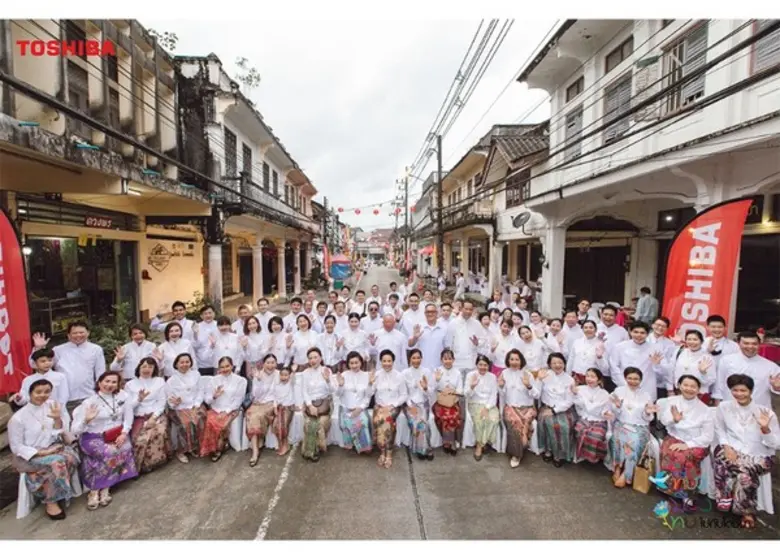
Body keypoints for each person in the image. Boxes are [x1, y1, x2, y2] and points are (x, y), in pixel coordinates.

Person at [713, 374, 780, 528]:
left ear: (751, 391)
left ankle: (743, 508)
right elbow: (719, 429)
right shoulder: (724, 407)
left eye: (743, 390)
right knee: (724, 460)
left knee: (744, 474)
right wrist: (726, 446)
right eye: (735, 390)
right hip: (732, 449)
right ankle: (736, 503)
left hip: (760, 455)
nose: (739, 394)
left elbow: (776, 444)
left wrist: (765, 428)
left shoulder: (765, 413)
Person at [8, 380, 79, 520]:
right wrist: (43, 453)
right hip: (29, 455)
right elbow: (16, 447)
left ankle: (60, 492)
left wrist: (57, 418)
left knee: (71, 456)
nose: (43, 395)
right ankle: (51, 501)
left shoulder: (51, 406)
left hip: (52, 446)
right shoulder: (18, 418)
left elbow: (58, 430)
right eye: (38, 392)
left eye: (47, 391)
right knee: (57, 462)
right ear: (30, 393)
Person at [71, 370, 138, 510]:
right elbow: (75, 430)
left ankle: (104, 488)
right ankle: (96, 490)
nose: (110, 385)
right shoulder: (89, 402)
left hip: (115, 435)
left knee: (124, 446)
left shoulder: (123, 396)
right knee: (109, 452)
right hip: (92, 437)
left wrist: (124, 433)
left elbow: (128, 418)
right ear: (99, 382)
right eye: (107, 381)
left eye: (114, 382)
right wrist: (86, 420)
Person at [656, 375, 715, 512]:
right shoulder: (672, 401)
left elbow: (707, 436)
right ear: (679, 386)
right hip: (674, 436)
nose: (689, 389)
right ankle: (671, 488)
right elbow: (664, 421)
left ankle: (688, 495)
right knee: (671, 452)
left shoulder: (705, 410)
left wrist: (688, 444)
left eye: (693, 386)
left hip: (697, 442)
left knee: (685, 457)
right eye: (686, 385)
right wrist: (674, 419)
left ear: (698, 389)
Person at [31, 322, 106, 413]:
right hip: (65, 398)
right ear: (68, 335)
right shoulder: (58, 350)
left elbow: (100, 372)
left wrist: (102, 392)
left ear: (88, 333)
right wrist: (38, 348)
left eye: (81, 332)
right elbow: (35, 365)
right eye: (74, 333)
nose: (78, 335)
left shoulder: (96, 349)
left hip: (89, 395)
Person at [607, 367, 656, 488]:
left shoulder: (646, 395)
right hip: (622, 423)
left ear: (641, 380)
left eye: (636, 379)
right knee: (616, 439)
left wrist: (648, 413)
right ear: (625, 378)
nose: (633, 381)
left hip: (640, 426)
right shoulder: (618, 391)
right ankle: (617, 468)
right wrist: (617, 407)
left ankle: (626, 474)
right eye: (630, 378)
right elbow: (615, 413)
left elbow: (648, 418)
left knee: (633, 443)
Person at [124, 357, 169, 474]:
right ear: (138, 367)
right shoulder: (130, 385)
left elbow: (161, 402)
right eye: (144, 366)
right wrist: (139, 399)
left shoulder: (159, 381)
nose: (147, 369)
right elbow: (128, 407)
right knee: (140, 440)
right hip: (138, 417)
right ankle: (141, 466)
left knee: (158, 433)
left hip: (156, 415)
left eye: (150, 367)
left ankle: (155, 462)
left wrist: (154, 417)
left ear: (154, 369)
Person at [714, 330, 780, 408]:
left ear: (759, 344)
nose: (750, 347)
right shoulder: (726, 360)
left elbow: (777, 388)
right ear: (738, 343)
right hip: (731, 409)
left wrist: (776, 387)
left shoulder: (771, 366)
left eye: (754, 344)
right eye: (746, 343)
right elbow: (719, 384)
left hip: (759, 410)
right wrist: (717, 406)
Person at [199, 357, 246, 462]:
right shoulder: (213, 380)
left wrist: (227, 411)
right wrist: (214, 396)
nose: (225, 369)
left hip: (233, 409)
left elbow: (239, 400)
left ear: (232, 366)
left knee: (222, 423)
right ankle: (215, 447)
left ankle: (219, 448)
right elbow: (207, 401)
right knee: (209, 422)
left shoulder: (240, 380)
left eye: (227, 366)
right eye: (222, 367)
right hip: (216, 409)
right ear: (218, 368)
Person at [499, 349, 540, 468]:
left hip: (527, 408)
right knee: (514, 421)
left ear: (521, 360)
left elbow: (536, 395)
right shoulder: (504, 373)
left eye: (517, 359)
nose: (514, 362)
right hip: (510, 407)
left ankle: (519, 446)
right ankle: (516, 454)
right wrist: (501, 386)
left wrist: (529, 386)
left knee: (522, 421)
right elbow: (502, 394)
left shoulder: (527, 374)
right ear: (508, 360)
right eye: (511, 359)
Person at [536, 353, 577, 467]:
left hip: (563, 409)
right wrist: (539, 380)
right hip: (546, 406)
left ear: (564, 364)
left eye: (560, 362)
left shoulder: (569, 379)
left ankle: (560, 454)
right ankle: (548, 450)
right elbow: (536, 394)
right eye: (554, 363)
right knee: (547, 421)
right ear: (549, 364)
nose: (557, 365)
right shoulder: (545, 375)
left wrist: (555, 410)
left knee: (563, 425)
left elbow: (569, 401)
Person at [165, 353, 205, 464]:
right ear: (176, 364)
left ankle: (194, 447)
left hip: (194, 405)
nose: (185, 364)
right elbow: (170, 399)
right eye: (181, 362)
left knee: (199, 418)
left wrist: (196, 405)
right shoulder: (171, 380)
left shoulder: (196, 374)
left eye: (187, 362)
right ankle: (181, 451)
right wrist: (175, 403)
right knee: (184, 423)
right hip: (179, 408)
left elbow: (200, 391)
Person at [372, 349, 407, 469]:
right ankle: (384, 452)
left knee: (385, 420)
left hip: (393, 407)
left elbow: (404, 395)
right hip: (379, 406)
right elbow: (370, 393)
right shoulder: (376, 375)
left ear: (393, 361)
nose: (387, 363)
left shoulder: (399, 376)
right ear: (380, 361)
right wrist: (370, 384)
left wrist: (392, 405)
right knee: (383, 421)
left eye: (389, 361)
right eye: (384, 361)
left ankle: (388, 453)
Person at [335, 351, 373, 455]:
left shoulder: (367, 375)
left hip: (360, 408)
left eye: (356, 362)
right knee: (345, 423)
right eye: (351, 363)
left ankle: (364, 446)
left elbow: (368, 396)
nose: (354, 365)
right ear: (348, 364)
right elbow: (338, 394)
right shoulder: (343, 375)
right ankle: (352, 444)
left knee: (363, 421)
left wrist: (370, 384)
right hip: (346, 408)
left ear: (361, 362)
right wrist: (341, 385)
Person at [300, 347, 334, 462]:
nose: (313, 360)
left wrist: (328, 380)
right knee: (309, 423)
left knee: (320, 424)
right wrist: (310, 405)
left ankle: (316, 449)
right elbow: (304, 391)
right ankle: (312, 449)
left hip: (324, 404)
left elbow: (331, 391)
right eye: (310, 358)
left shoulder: (326, 370)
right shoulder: (305, 373)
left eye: (315, 357)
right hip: (310, 405)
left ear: (321, 358)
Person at [572, 368, 612, 464]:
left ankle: (593, 457)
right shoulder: (580, 389)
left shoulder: (605, 394)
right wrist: (576, 395)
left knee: (597, 436)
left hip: (599, 420)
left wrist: (604, 413)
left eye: (593, 377)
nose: (589, 379)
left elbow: (605, 410)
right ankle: (581, 455)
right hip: (584, 417)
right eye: (587, 376)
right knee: (579, 430)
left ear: (599, 380)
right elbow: (578, 405)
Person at [246, 353, 280, 466]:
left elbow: (279, 394)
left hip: (271, 404)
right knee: (251, 414)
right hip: (258, 403)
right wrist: (259, 380)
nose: (270, 365)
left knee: (257, 416)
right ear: (263, 364)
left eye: (273, 363)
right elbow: (255, 395)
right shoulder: (258, 374)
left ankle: (256, 449)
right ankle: (256, 448)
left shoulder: (279, 375)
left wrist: (275, 405)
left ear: (276, 363)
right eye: (268, 363)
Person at [465, 354, 500, 461]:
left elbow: (494, 395)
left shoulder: (492, 377)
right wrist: (472, 386)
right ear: (476, 365)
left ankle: (483, 442)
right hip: (475, 403)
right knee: (480, 420)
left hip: (489, 405)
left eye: (485, 365)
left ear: (488, 366)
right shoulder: (471, 375)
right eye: (480, 365)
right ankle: (480, 446)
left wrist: (487, 408)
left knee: (493, 419)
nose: (483, 367)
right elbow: (466, 394)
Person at [403, 348, 435, 461]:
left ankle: (424, 448)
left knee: (423, 422)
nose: (416, 360)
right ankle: (423, 449)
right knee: (416, 421)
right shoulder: (405, 373)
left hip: (424, 403)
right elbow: (404, 393)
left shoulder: (427, 372)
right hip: (410, 404)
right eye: (413, 358)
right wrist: (410, 406)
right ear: (409, 359)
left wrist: (426, 388)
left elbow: (431, 392)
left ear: (421, 358)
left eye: (418, 358)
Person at [668, 330, 715, 401]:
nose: (692, 342)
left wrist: (703, 373)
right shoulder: (680, 352)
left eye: (695, 339)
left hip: (699, 394)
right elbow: (671, 370)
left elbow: (711, 380)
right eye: (689, 339)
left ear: (701, 341)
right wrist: (670, 389)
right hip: (680, 392)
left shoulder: (707, 357)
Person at [432, 349, 463, 455]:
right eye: (445, 359)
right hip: (440, 401)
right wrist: (436, 380)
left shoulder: (457, 372)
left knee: (454, 416)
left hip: (453, 401)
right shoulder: (437, 370)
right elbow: (432, 389)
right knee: (444, 416)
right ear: (441, 360)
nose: (447, 361)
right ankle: (447, 442)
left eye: (450, 358)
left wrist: (451, 391)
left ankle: (452, 442)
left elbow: (460, 390)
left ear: (453, 360)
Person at [567, 321, 608, 386]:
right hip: (576, 377)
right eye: (585, 327)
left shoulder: (600, 343)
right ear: (582, 329)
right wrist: (568, 375)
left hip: (592, 379)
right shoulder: (577, 342)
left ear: (596, 329)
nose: (588, 329)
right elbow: (571, 359)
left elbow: (605, 368)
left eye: (591, 327)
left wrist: (599, 357)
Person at [407, 303, 447, 370]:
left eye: (432, 312)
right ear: (425, 313)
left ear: (437, 313)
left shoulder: (444, 328)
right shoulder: (419, 327)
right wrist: (415, 337)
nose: (430, 314)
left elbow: (446, 348)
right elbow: (410, 344)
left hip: (439, 367)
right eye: (428, 312)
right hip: (421, 367)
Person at [271, 366, 296, 456]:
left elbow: (293, 379)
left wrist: (293, 372)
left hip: (288, 408)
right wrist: (274, 407)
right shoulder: (277, 385)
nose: (283, 377)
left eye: (286, 375)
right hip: (279, 408)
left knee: (283, 425)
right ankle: (280, 443)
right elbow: (275, 397)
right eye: (282, 375)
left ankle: (285, 444)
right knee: (275, 426)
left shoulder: (290, 384)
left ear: (289, 376)